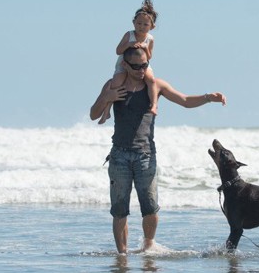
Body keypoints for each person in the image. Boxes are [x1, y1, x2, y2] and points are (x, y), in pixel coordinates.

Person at [90, 46, 226, 254]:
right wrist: (107, 97)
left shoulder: (155, 86)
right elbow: (93, 114)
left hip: (146, 155)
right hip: (119, 156)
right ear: (125, 65)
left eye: (144, 65)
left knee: (150, 207)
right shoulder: (114, 85)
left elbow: (185, 101)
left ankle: (148, 246)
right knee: (119, 210)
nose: (140, 70)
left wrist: (208, 97)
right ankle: (122, 256)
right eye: (135, 66)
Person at [99, 0, 160, 124]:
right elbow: (118, 50)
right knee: (116, 83)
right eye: (139, 23)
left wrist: (144, 48)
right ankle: (107, 111)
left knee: (151, 80)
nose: (141, 27)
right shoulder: (129, 35)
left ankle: (154, 105)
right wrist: (129, 44)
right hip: (124, 63)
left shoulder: (150, 39)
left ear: (152, 27)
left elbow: (149, 56)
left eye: (145, 25)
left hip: (142, 65)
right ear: (133, 23)